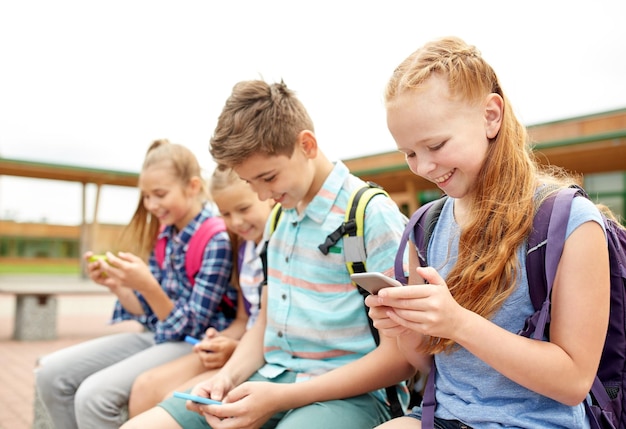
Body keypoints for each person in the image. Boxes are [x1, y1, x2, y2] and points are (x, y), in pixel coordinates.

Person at [120, 79, 416, 429]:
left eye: (268, 177)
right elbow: (264, 322)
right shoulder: (279, 217)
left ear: (306, 145)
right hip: (271, 378)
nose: (262, 196)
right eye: (251, 183)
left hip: (353, 395)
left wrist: (279, 398)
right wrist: (226, 379)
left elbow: (402, 359)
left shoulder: (368, 214)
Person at [365, 36, 611, 428]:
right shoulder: (425, 227)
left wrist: (457, 322)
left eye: (435, 144)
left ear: (491, 116)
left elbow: (574, 381)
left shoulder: (569, 222)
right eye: (409, 153)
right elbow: (427, 366)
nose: (424, 166)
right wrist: (408, 330)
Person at [35, 139, 236, 429]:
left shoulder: (215, 238)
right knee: (50, 373)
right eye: (146, 196)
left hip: (193, 343)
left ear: (192, 186)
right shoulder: (166, 234)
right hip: (158, 334)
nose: (151, 205)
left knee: (93, 396)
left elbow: (191, 326)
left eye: (160, 194)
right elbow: (146, 313)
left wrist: (149, 286)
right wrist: (119, 285)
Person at [127, 165, 274, 417]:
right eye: (225, 213)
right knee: (144, 387)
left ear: (268, 196)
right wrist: (219, 341)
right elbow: (243, 319)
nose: (235, 222)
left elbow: (267, 327)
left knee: (173, 401)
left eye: (244, 209)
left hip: (262, 353)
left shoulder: (277, 247)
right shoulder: (243, 248)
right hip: (240, 346)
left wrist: (234, 347)